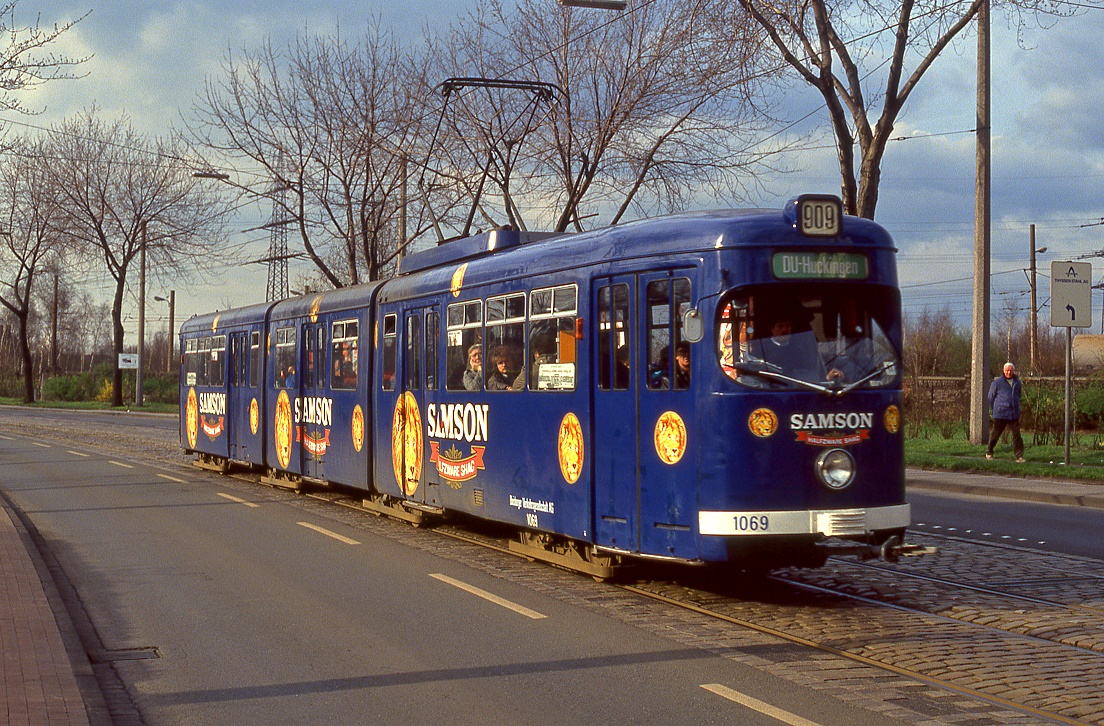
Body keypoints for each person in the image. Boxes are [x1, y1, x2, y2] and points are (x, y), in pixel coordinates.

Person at [987, 362, 1025, 462]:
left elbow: (1018, 395)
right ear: (1003, 371)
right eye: (1007, 370)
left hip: (1013, 413)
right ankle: (989, 452)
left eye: (1010, 370)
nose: (1009, 372)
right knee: (995, 434)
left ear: (1013, 371)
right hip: (1000, 413)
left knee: (1017, 435)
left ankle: (1019, 456)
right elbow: (990, 397)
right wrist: (996, 408)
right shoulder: (997, 382)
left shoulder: (1017, 382)